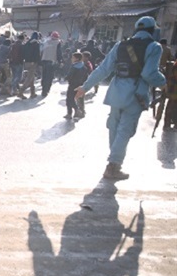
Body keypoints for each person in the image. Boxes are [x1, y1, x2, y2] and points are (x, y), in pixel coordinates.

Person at [75, 16, 167, 180]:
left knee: (114, 128)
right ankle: (113, 166)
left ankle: (114, 162)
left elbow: (103, 70)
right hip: (135, 95)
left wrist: (85, 87)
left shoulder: (120, 45)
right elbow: (149, 73)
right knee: (124, 131)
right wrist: (163, 83)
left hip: (117, 93)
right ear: (152, 30)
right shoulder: (154, 47)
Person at [64, 53, 88, 120]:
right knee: (77, 98)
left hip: (72, 84)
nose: (72, 59)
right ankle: (73, 113)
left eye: (73, 57)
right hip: (80, 85)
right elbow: (86, 76)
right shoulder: (84, 66)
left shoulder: (74, 66)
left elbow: (69, 76)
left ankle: (73, 111)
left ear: (77, 59)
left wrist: (66, 78)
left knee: (69, 99)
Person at [19, 32, 41, 99]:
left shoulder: (27, 43)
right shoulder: (36, 44)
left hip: (26, 62)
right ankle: (21, 92)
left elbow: (23, 51)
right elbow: (37, 54)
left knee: (32, 77)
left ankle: (32, 93)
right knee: (29, 78)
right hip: (33, 63)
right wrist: (38, 62)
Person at [40, 31, 62, 97]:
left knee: (44, 75)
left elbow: (41, 51)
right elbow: (59, 53)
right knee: (49, 77)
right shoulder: (58, 43)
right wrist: (60, 61)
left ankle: (43, 89)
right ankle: (46, 90)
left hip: (44, 60)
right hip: (52, 61)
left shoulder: (46, 42)